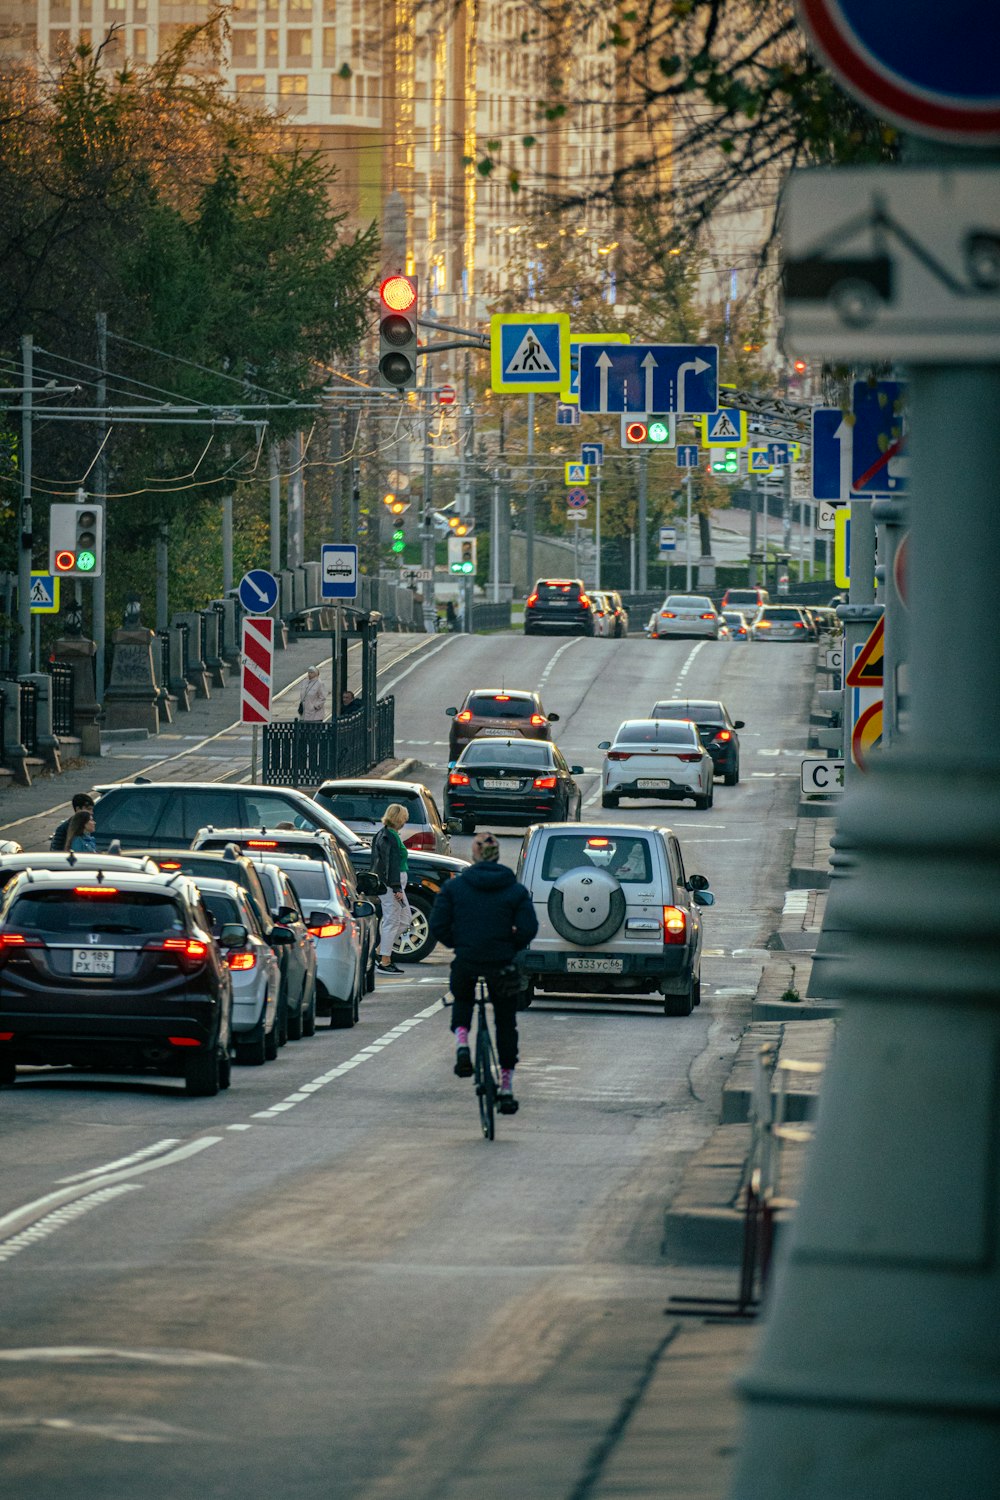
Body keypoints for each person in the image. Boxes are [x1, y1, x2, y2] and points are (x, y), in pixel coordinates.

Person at [429, 830, 538, 1115]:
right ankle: (506, 1087)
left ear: (474, 855)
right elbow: (528, 929)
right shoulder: (514, 890)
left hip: (467, 960)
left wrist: (459, 943)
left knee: (463, 998)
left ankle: (463, 1044)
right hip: (501, 964)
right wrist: (509, 944)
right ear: (498, 855)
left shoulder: (456, 888)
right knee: (505, 1022)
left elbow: (438, 923)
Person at [370, 803, 412, 975]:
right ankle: (385, 961)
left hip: (393, 884)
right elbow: (391, 863)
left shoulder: (384, 834)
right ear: (398, 818)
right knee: (393, 920)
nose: (405, 822)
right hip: (393, 885)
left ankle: (381, 951)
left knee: (403, 918)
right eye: (404, 818)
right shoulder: (390, 837)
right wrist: (396, 887)